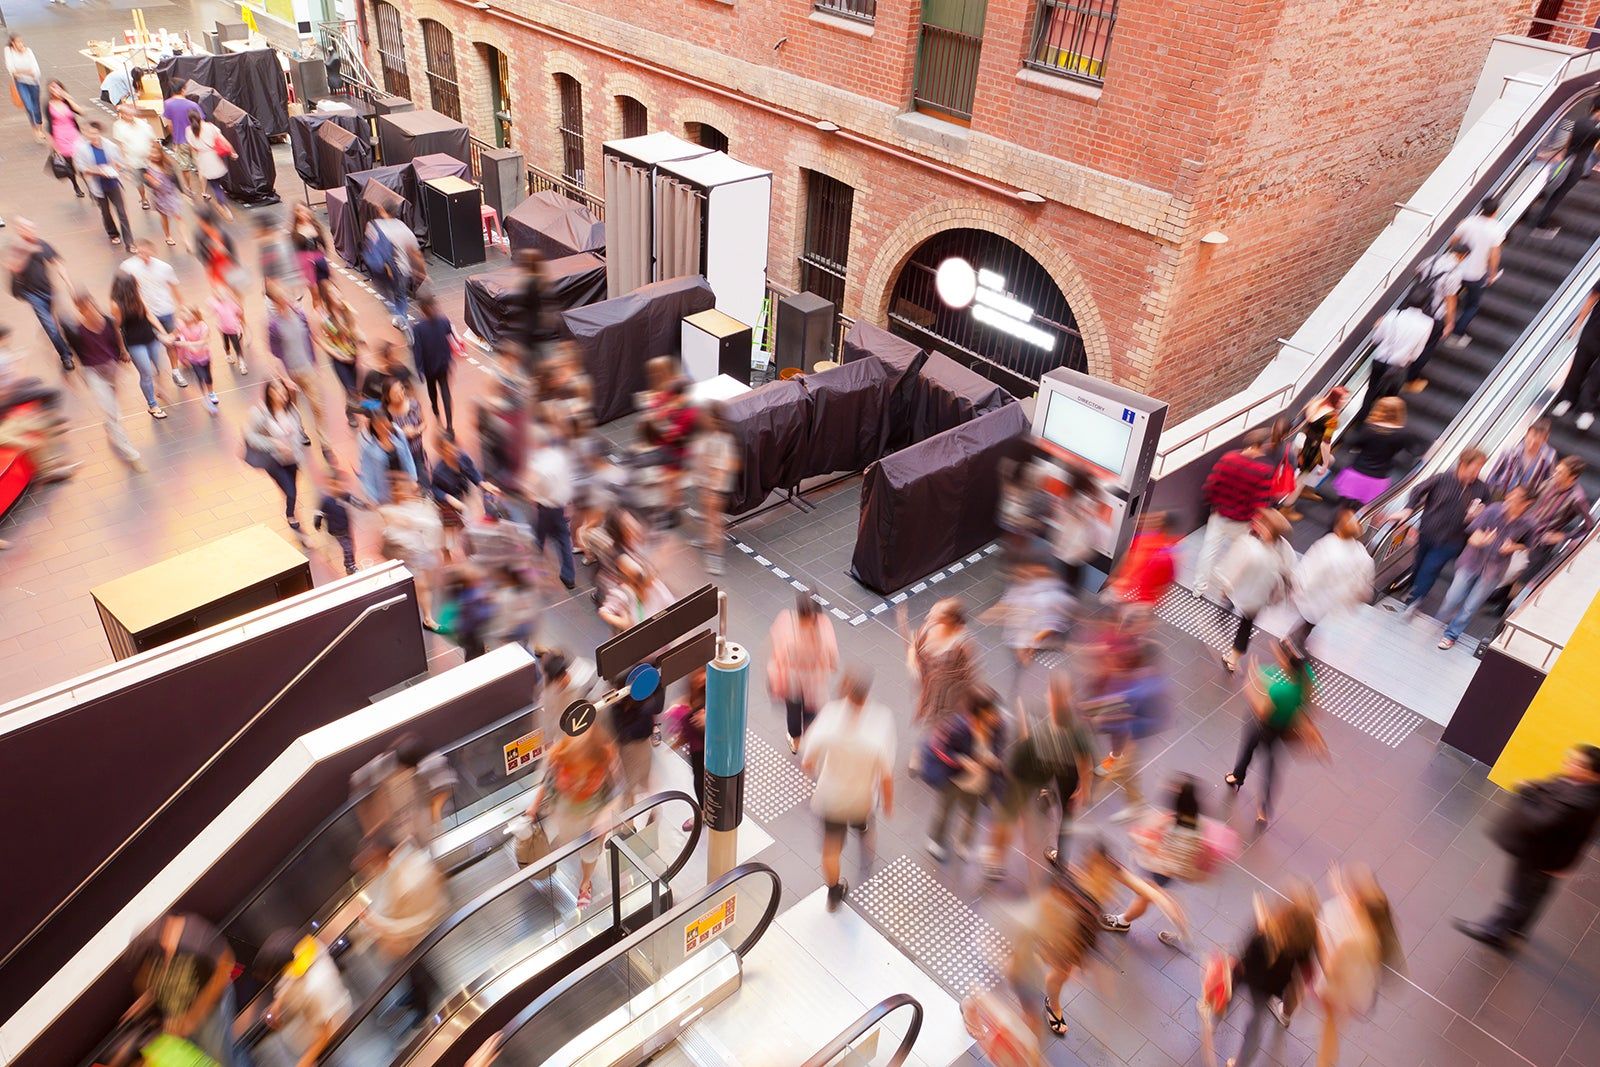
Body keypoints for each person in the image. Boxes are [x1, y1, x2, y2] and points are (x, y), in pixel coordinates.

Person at [1013, 843, 1183, 1039]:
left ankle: (1050, 999)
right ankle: (1052, 1005)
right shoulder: (1070, 888)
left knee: (1063, 971)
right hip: (1064, 932)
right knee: (1061, 972)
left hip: (1083, 929)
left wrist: (1165, 902)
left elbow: (1142, 888)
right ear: (1090, 868)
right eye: (1099, 876)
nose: (1108, 887)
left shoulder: (1104, 870)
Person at [1455, 744, 1600, 950]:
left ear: (1592, 774)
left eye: (1576, 763)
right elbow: (1551, 789)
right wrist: (1534, 789)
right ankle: (1516, 928)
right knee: (1534, 893)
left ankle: (1495, 932)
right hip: (1550, 855)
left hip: (1542, 855)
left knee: (1519, 893)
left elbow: (1543, 821)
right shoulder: (1579, 784)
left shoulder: (1583, 801)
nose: (1568, 764)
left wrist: (1526, 793)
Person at [801, 668, 895, 911]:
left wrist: (819, 772)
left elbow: (808, 761)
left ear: (845, 692)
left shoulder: (831, 716)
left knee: (831, 850)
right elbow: (886, 776)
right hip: (861, 799)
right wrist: (887, 804)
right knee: (865, 824)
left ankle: (834, 893)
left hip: (830, 798)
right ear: (867, 695)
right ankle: (864, 842)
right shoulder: (880, 722)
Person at [988, 671, 1094, 879]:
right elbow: (1084, 758)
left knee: (1011, 812)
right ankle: (1060, 860)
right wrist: (1084, 788)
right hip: (1063, 772)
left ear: (1051, 696)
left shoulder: (1047, 718)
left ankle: (996, 859)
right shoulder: (1075, 725)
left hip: (1039, 771)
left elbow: (1031, 748)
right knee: (1067, 815)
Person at [1225, 639, 1324, 827]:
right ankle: (1263, 810)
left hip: (1265, 727)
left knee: (1248, 748)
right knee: (1271, 768)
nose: (1280, 660)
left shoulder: (1282, 691)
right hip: (1283, 729)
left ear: (1289, 666)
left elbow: (1263, 711)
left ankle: (1238, 776)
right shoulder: (1307, 681)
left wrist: (1253, 678)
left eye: (1283, 659)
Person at [354, 831, 447, 1028]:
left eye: (372, 858)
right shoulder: (393, 868)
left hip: (411, 937)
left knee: (416, 968)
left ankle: (425, 1007)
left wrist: (375, 923)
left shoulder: (409, 878)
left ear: (386, 855)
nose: (369, 864)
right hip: (401, 937)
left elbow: (419, 920)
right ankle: (415, 994)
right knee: (411, 971)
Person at [1101, 777, 1207, 947]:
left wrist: (1144, 842)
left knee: (1147, 897)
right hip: (1166, 871)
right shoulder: (1193, 820)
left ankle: (1123, 922)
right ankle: (1183, 934)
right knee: (1160, 898)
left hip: (1162, 871)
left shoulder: (1179, 829)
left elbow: (1169, 856)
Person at [128, 913, 247, 1066]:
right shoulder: (151, 955)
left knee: (222, 1059)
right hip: (184, 1013)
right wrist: (147, 999)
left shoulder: (192, 938)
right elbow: (144, 981)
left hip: (210, 1007)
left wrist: (193, 1016)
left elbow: (226, 966)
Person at [1225, 886, 1321, 1067]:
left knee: (1231, 987)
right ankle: (1240, 1064)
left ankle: (1221, 1007)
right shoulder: (1306, 940)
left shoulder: (1264, 933)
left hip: (1248, 975)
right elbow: (1305, 969)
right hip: (1271, 987)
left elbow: (1244, 957)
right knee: (1255, 1023)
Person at [525, 727, 621, 908]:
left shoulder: (605, 759)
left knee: (589, 853)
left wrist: (604, 819)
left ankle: (585, 883)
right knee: (569, 839)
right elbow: (547, 781)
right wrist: (533, 806)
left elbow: (616, 793)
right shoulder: (560, 756)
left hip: (591, 820)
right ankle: (569, 847)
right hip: (565, 814)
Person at [1315, 866, 1401, 1067]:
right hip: (1357, 989)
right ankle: (1329, 1060)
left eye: (1354, 895)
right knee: (1336, 1026)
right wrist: (1338, 887)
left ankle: (1324, 1063)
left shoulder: (1351, 940)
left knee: (1329, 1028)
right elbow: (1349, 904)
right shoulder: (1375, 931)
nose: (1350, 897)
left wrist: (1319, 935)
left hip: (1337, 988)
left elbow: (1329, 968)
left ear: (1361, 905)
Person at [1389, 447, 1489, 614]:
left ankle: (1414, 601)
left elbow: (1487, 509)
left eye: (1480, 468)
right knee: (1419, 564)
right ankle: (1412, 590)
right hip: (1428, 532)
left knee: (1431, 567)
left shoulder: (1482, 489)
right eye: (1474, 468)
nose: (1476, 473)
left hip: (1453, 539)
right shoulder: (1442, 478)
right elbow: (1418, 490)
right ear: (1463, 464)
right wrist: (1408, 508)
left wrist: (1479, 515)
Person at [1435, 485, 1536, 649]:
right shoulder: (1493, 510)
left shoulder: (1529, 524)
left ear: (1526, 503)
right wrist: (1481, 540)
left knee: (1471, 606)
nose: (1510, 498)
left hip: (1494, 569)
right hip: (1472, 561)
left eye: (1516, 497)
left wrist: (1513, 547)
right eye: (1511, 494)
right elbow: (1472, 535)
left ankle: (1451, 635)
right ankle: (1437, 622)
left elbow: (1527, 544)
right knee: (1453, 597)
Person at [64, 291, 143, 469]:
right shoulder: (77, 330)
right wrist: (73, 376)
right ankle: (131, 453)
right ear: (79, 309)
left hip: (112, 369)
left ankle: (110, 424)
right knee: (112, 412)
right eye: (84, 307)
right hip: (93, 373)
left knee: (113, 403)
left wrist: (123, 352)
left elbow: (118, 335)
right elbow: (74, 353)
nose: (89, 309)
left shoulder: (107, 320)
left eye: (90, 304)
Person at [923, 690, 1004, 865]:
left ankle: (964, 843)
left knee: (971, 815)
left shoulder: (998, 727)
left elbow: (999, 749)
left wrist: (994, 759)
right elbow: (942, 750)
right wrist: (962, 761)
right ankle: (936, 840)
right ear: (980, 712)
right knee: (945, 811)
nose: (996, 715)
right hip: (955, 780)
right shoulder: (960, 727)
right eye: (991, 711)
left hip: (979, 783)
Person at [251, 930, 353, 1067]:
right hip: (308, 1036)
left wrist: (305, 1061)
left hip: (330, 1047)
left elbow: (331, 1027)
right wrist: (277, 1004)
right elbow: (290, 979)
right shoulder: (304, 949)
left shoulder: (317, 986)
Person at [901, 598, 979, 773]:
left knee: (943, 724)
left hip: (951, 695)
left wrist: (965, 699)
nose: (929, 615)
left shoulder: (962, 644)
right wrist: (914, 659)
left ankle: (938, 749)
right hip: (930, 690)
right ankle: (921, 752)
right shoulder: (928, 630)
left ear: (949, 620)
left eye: (935, 614)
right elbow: (916, 649)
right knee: (928, 722)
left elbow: (969, 674)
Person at [1193, 429, 1274, 596]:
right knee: (1237, 555)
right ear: (1258, 445)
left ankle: (1198, 588)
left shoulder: (1228, 458)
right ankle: (1226, 589)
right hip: (1242, 522)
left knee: (1208, 551)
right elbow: (1260, 503)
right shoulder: (1263, 470)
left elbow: (1210, 485)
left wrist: (1214, 505)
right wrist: (1256, 522)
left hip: (1219, 516)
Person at [1215, 509, 1295, 673]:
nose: (1258, 526)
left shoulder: (1253, 546)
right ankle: (1233, 658)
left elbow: (1236, 568)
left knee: (1245, 625)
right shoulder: (1282, 550)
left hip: (1255, 596)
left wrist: (1227, 586)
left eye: (1262, 525)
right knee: (1246, 624)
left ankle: (1233, 658)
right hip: (1257, 596)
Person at [1289, 508, 1374, 649]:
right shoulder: (1362, 554)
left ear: (1338, 527)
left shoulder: (1329, 544)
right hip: (1332, 600)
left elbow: (1312, 570)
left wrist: (1298, 587)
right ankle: (1294, 643)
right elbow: (1363, 584)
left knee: (1307, 619)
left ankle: (1293, 648)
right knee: (1310, 622)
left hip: (1313, 595)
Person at [768, 593, 841, 753]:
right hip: (815, 681)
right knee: (811, 713)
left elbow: (777, 653)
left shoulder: (787, 621)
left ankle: (796, 741)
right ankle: (808, 742)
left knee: (794, 712)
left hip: (793, 680)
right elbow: (833, 660)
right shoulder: (824, 625)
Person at [1355, 290, 1434, 424]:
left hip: (1379, 359)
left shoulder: (1393, 315)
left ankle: (1360, 423)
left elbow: (1376, 339)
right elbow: (1416, 353)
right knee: (1389, 399)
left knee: (1371, 392)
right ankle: (1378, 425)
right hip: (1398, 366)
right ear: (1426, 303)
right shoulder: (1427, 323)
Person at [7, 218, 76, 371]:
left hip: (50, 290)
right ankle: (66, 355)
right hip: (33, 294)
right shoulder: (16, 248)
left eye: (32, 228)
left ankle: (62, 338)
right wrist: (26, 251)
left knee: (63, 320)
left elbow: (57, 263)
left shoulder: (42, 245)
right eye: (25, 228)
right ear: (19, 231)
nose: (30, 231)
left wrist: (69, 284)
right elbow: (14, 267)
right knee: (51, 327)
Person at [267, 282, 329, 448]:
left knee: (318, 406)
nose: (286, 299)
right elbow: (275, 355)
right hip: (290, 372)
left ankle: (325, 443)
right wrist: (285, 379)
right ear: (274, 302)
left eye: (286, 295)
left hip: (307, 368)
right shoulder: (274, 326)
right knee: (293, 408)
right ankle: (299, 430)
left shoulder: (301, 315)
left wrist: (315, 364)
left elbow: (312, 339)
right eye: (281, 297)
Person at [381, 473, 446, 628]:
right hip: (406, 554)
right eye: (398, 490)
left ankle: (424, 607)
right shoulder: (389, 510)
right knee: (422, 585)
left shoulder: (416, 505)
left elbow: (431, 526)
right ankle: (428, 619)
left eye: (404, 489)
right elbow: (392, 532)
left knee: (426, 582)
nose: (402, 493)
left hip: (419, 551)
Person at [1519, 455, 1594, 585]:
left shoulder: (1578, 498)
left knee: (1520, 579)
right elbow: (1532, 500)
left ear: (1572, 477)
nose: (1555, 474)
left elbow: (1590, 526)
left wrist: (1564, 536)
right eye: (1556, 470)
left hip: (1539, 543)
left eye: (1560, 473)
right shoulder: (1549, 481)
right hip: (1521, 530)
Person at [244, 380, 307, 530]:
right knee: (291, 492)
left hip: (292, 459)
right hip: (274, 461)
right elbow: (250, 436)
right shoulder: (261, 413)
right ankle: (290, 514)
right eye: (277, 391)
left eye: (283, 391)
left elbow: (299, 430)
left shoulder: (291, 410)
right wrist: (274, 443)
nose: (282, 394)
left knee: (293, 489)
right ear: (269, 393)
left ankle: (289, 503)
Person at [1532, 99, 1600, 238]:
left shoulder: (1580, 121)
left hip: (1565, 161)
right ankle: (1541, 222)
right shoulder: (1594, 131)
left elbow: (1568, 141)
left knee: (1553, 190)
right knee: (1558, 195)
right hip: (1575, 167)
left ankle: (1541, 218)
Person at [1404, 241, 1466, 393]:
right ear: (1462, 256)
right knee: (1427, 347)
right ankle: (1410, 379)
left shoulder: (1433, 259)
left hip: (1415, 305)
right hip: (1433, 314)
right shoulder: (1454, 273)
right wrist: (1449, 322)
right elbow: (1450, 299)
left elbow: (1417, 271)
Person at [109, 272, 173, 419]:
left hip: (150, 337)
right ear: (127, 287)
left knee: (159, 366)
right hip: (134, 342)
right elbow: (116, 328)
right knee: (146, 373)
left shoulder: (137, 296)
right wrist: (123, 349)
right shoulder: (116, 305)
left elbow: (149, 314)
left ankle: (159, 389)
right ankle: (153, 405)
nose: (137, 285)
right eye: (134, 284)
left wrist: (163, 333)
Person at [1443, 196, 1504, 348]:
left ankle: (1444, 324)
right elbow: (1494, 254)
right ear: (1495, 211)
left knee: (1450, 298)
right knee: (1472, 305)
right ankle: (1456, 334)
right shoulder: (1496, 229)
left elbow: (1453, 241)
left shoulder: (1468, 222)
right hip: (1476, 273)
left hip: (1456, 268)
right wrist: (1492, 273)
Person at [687, 402, 739, 574]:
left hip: (715, 489)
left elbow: (725, 467)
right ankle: (705, 540)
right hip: (706, 485)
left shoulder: (721, 440)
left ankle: (715, 556)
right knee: (707, 517)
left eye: (706, 416)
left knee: (714, 523)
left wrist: (712, 489)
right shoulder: (707, 436)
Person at [527, 422, 579, 590]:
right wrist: (568, 502)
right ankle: (568, 576)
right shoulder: (560, 456)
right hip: (560, 504)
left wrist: (533, 498)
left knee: (539, 537)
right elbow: (568, 480)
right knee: (564, 539)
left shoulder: (537, 463)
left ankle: (534, 568)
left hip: (545, 507)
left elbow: (535, 489)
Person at [1281, 387, 1347, 518]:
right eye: (1344, 399)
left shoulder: (1316, 403)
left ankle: (1306, 488)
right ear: (1336, 399)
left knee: (1330, 461)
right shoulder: (1332, 418)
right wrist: (1325, 463)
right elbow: (1325, 443)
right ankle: (1286, 509)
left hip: (1303, 442)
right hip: (1313, 450)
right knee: (1301, 480)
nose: (1345, 401)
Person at [120, 240, 186, 370]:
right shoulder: (127, 267)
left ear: (153, 251)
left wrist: (182, 307)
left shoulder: (164, 267)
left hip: (166, 310)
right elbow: (122, 289)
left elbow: (174, 287)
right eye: (140, 252)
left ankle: (175, 370)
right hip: (144, 313)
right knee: (150, 344)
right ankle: (156, 369)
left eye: (146, 252)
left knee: (171, 342)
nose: (144, 256)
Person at [364, 201, 424, 325]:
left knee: (388, 294)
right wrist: (422, 271)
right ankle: (402, 318)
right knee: (400, 296)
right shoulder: (404, 228)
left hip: (383, 272)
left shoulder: (374, 225)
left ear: (382, 210)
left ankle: (397, 315)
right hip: (403, 270)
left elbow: (370, 246)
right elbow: (415, 252)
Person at [1105, 510, 1179, 610]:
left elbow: (1128, 559)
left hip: (1130, 594)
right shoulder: (1165, 548)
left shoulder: (1150, 543)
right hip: (1134, 595)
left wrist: (1115, 577)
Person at [666, 669, 708, 832]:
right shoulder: (690, 699)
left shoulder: (714, 695)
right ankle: (704, 812)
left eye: (703, 673)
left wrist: (707, 720)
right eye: (697, 675)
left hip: (713, 747)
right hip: (698, 749)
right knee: (699, 780)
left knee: (712, 779)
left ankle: (709, 811)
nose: (701, 678)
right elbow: (687, 730)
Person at [1555, 282, 1600, 430]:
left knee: (1597, 377)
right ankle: (1567, 399)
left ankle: (1587, 409)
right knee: (1578, 366)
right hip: (1593, 330)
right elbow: (1592, 298)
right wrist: (1578, 324)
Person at [410, 293, 457, 432]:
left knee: (432, 391)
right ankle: (450, 425)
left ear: (422, 309)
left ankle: (436, 413)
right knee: (445, 392)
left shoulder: (418, 328)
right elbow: (450, 335)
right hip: (443, 363)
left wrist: (419, 369)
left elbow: (416, 350)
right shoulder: (443, 320)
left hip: (429, 367)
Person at [315, 290, 362, 424]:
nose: (339, 298)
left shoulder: (347, 311)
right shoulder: (325, 318)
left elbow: (355, 329)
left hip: (352, 355)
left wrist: (359, 340)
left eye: (339, 294)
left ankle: (350, 409)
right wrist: (338, 355)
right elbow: (321, 340)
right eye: (335, 296)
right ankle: (351, 414)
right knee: (350, 388)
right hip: (339, 359)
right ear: (329, 300)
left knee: (355, 389)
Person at [358, 410, 420, 504]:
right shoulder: (369, 450)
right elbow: (367, 476)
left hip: (404, 487)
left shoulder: (398, 434)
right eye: (379, 426)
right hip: (386, 495)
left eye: (385, 423)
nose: (383, 428)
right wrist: (374, 500)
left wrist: (413, 479)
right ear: (374, 427)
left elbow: (407, 457)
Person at [1486, 419, 1558, 497]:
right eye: (1531, 437)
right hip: (1500, 494)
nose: (1533, 443)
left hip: (1523, 503)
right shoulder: (1511, 451)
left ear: (1545, 439)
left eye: (1538, 441)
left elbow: (1548, 483)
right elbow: (1493, 476)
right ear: (1527, 433)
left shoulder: (1549, 457)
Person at [314, 467, 365, 575]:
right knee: (348, 548)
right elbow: (319, 511)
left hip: (346, 526)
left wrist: (363, 505)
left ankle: (349, 563)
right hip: (336, 530)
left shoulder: (344, 495)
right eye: (333, 485)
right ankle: (350, 566)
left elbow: (354, 501)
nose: (337, 488)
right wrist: (317, 521)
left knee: (351, 546)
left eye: (340, 485)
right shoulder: (326, 501)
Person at [161, 82, 204, 200]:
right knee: (200, 166)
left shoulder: (167, 104)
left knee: (184, 167)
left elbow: (169, 125)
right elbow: (201, 123)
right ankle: (204, 191)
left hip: (180, 140)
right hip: (195, 140)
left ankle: (189, 189)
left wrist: (175, 138)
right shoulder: (193, 105)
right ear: (183, 89)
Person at [188, 111, 233, 221]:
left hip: (203, 158)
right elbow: (222, 140)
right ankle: (223, 205)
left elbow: (193, 148)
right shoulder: (210, 127)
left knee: (215, 185)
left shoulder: (189, 131)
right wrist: (232, 152)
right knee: (218, 181)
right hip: (214, 156)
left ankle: (222, 204)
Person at [112, 103, 156, 212]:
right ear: (121, 114)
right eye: (127, 114)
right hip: (133, 160)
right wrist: (125, 162)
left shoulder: (142, 123)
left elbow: (152, 138)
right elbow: (121, 144)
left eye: (131, 113)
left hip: (149, 158)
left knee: (154, 178)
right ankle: (144, 198)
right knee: (138, 181)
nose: (130, 116)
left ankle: (157, 197)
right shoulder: (118, 126)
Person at [171, 305, 217, 411]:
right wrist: (172, 340)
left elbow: (203, 342)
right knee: (200, 377)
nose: (185, 315)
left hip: (205, 357)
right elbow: (173, 337)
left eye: (188, 313)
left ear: (195, 315)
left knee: (208, 377)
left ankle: (211, 392)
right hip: (193, 359)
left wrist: (185, 344)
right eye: (184, 313)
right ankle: (205, 397)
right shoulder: (182, 327)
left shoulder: (202, 326)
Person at [290, 201, 335, 308]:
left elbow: (324, 245)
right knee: (316, 295)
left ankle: (332, 314)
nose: (302, 213)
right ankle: (320, 318)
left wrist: (326, 261)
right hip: (307, 266)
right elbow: (294, 253)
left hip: (320, 261)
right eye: (298, 211)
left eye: (303, 210)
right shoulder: (295, 232)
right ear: (296, 214)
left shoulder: (315, 226)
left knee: (328, 291)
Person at [46, 80, 85, 198]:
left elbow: (81, 112)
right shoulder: (48, 104)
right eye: (52, 88)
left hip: (73, 134)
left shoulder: (66, 102)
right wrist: (52, 144)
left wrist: (68, 98)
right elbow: (48, 125)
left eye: (57, 87)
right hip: (60, 137)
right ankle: (76, 186)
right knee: (70, 164)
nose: (55, 90)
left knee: (82, 161)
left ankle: (90, 185)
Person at [144, 145, 184, 247]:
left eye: (157, 153)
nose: (155, 156)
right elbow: (147, 181)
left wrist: (182, 191)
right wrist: (152, 182)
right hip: (160, 196)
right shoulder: (148, 167)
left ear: (161, 153)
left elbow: (175, 178)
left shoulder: (167, 164)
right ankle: (168, 236)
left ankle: (185, 240)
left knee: (178, 216)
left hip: (171, 193)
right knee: (164, 217)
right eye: (153, 153)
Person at [5, 36, 43, 136]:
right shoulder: (9, 51)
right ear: (13, 43)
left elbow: (35, 72)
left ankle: (39, 125)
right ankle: (35, 129)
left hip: (34, 82)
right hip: (21, 83)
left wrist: (20, 72)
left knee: (36, 106)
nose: (21, 44)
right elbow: (11, 70)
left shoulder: (28, 52)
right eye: (18, 42)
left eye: (22, 42)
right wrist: (25, 71)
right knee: (28, 106)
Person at [211, 283, 248, 375]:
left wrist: (238, 322)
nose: (220, 296)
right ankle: (228, 355)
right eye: (218, 294)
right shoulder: (216, 305)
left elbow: (239, 312)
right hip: (223, 329)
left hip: (233, 330)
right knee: (226, 344)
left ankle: (242, 363)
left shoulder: (231, 303)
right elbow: (212, 308)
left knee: (237, 346)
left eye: (222, 293)